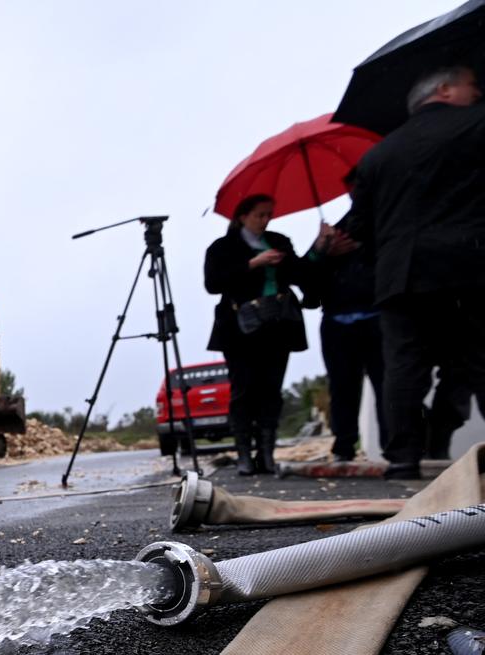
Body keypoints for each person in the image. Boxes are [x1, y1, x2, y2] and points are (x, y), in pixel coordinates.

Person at [342, 64, 485, 479]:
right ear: (444, 89)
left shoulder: (377, 156)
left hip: (400, 276)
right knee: (479, 358)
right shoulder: (476, 124)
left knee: (404, 366)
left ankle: (403, 458)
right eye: (472, 85)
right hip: (469, 264)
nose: (477, 92)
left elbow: (358, 227)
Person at [205, 194, 313, 475]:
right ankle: (243, 454)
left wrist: (320, 246)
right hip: (239, 329)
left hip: (277, 326)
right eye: (259, 215)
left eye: (269, 215)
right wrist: (253, 264)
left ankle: (266, 453)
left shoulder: (279, 241)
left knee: (271, 390)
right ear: (243, 216)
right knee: (242, 390)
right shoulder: (222, 247)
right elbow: (213, 283)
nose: (265, 220)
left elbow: (301, 274)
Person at [304, 169, 384, 462]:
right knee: (343, 388)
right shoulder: (335, 232)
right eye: (351, 189)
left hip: (376, 316)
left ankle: (394, 447)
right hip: (338, 321)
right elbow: (307, 281)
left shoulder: (384, 225)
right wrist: (321, 251)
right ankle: (345, 445)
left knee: (385, 384)